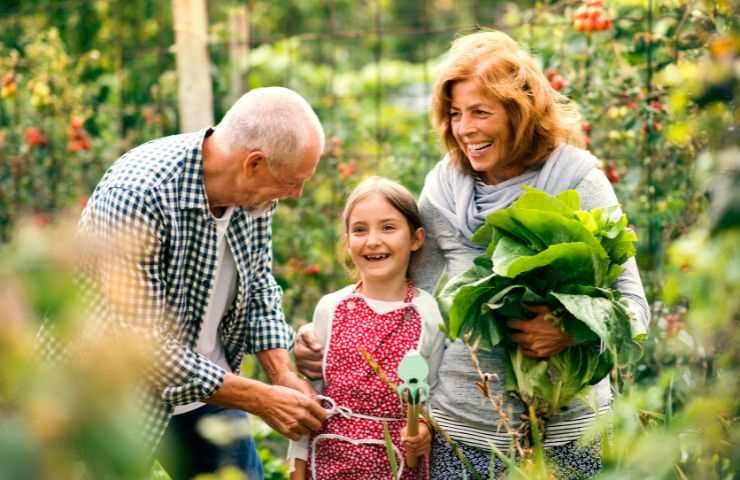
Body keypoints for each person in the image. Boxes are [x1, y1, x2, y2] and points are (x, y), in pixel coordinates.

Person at [294, 32, 649, 479]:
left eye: (481, 112)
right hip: (462, 429)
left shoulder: (577, 181)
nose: (465, 129)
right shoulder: (445, 187)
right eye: (456, 114)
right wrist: (323, 337)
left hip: (566, 431)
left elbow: (634, 310)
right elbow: (401, 298)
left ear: (519, 114)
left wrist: (571, 330)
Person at [48, 87, 329, 479]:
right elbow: (146, 349)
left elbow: (260, 287)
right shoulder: (139, 195)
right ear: (254, 163)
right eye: (292, 182)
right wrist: (261, 398)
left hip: (205, 389)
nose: (295, 194)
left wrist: (281, 375)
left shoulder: (255, 197)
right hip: (110, 394)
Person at [288, 176, 446, 480]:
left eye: (388, 227)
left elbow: (433, 396)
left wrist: (423, 428)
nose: (373, 240)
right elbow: (311, 397)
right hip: (328, 460)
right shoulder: (330, 308)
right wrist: (297, 469)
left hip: (398, 464)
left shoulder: (427, 313)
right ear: (347, 242)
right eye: (360, 230)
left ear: (416, 239)